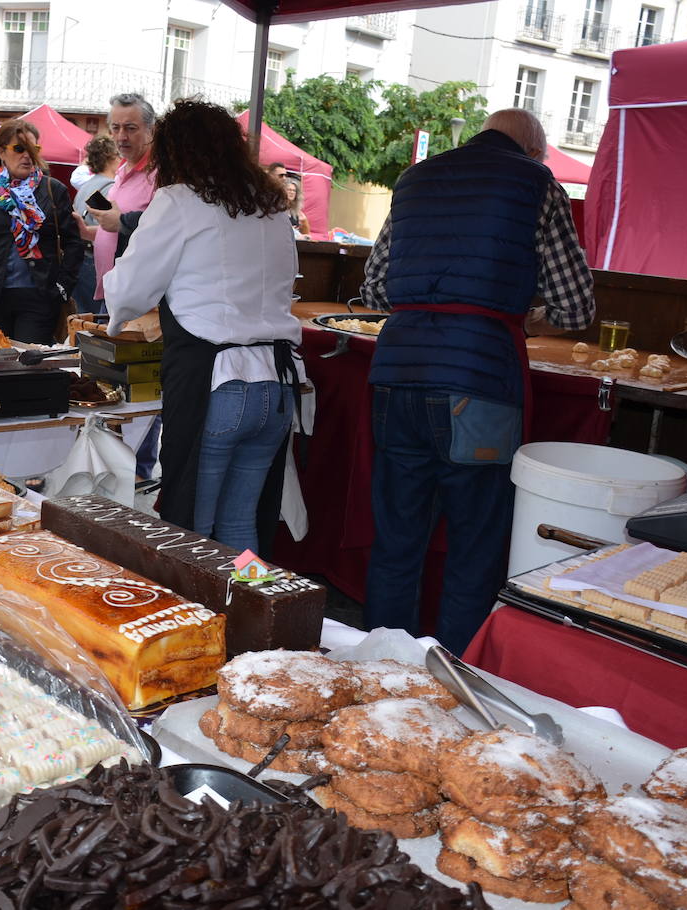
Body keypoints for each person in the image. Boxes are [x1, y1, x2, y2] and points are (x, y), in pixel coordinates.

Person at [360, 108, 596, 654]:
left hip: (397, 372)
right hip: (479, 378)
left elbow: (375, 288)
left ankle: (377, 668)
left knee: (396, 539)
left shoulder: (414, 178)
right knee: (475, 544)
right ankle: (456, 677)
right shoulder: (536, 183)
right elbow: (575, 306)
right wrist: (518, 306)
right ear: (533, 149)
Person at [103, 100, 302, 553]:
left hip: (217, 384)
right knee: (240, 526)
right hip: (275, 383)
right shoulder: (269, 206)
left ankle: (201, 622)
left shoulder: (178, 201)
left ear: (174, 151)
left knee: (189, 532)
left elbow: (129, 291)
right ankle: (246, 619)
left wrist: (116, 310)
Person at [85, 93, 163, 480]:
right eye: (115, 127)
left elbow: (160, 224)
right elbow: (115, 223)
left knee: (141, 389)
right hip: (111, 294)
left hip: (142, 303)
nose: (120, 135)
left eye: (130, 128)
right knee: (112, 386)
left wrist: (123, 222)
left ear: (151, 129)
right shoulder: (123, 172)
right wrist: (93, 229)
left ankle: (137, 471)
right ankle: (114, 467)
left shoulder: (160, 174)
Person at [0, 120, 81, 343]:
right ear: (1, 152)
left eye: (33, 149)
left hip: (39, 296)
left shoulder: (53, 190)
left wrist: (62, 287)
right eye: (19, 148)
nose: (27, 155)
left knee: (30, 367)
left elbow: (73, 243)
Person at [70, 135, 118, 315]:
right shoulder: (109, 188)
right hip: (95, 260)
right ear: (112, 157)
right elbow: (109, 228)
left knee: (82, 318)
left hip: (80, 259)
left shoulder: (84, 188)